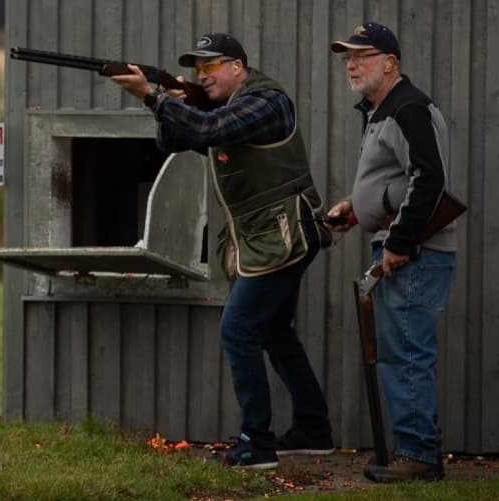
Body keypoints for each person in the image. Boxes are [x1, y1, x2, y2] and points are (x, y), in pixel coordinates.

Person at [110, 33, 335, 469]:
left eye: (210, 67)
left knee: (238, 330)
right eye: (197, 70)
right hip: (267, 239)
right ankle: (313, 427)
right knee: (273, 332)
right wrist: (167, 100)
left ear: (237, 67)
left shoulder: (265, 103)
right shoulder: (229, 109)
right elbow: (173, 141)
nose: (203, 76)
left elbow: (209, 129)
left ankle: (258, 444)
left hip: (284, 235)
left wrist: (156, 95)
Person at [327, 22, 456, 483]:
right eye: (347, 57)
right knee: (402, 349)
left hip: (415, 253)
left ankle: (418, 455)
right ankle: (414, 450)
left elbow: (429, 178)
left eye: (361, 55)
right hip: (403, 248)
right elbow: (396, 183)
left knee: (406, 352)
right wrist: (356, 208)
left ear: (391, 63)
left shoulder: (408, 108)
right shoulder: (384, 110)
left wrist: (399, 242)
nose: (351, 64)